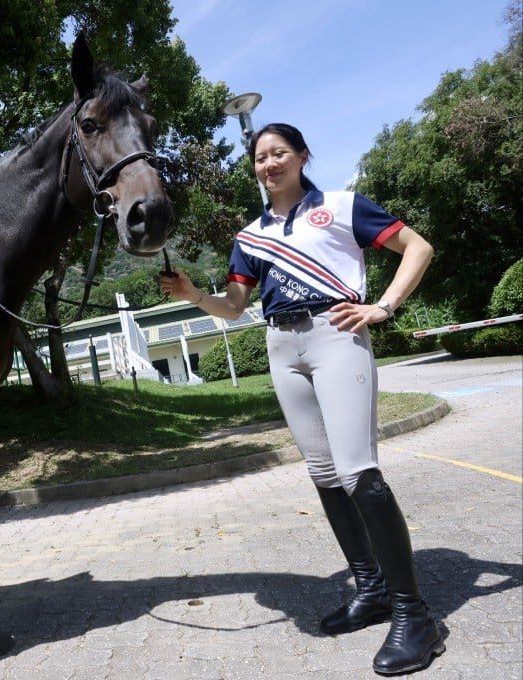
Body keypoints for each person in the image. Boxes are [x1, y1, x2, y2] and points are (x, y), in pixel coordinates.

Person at [160, 123, 444, 675]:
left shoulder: (340, 207)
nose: (269, 164)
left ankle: (416, 616)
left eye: (279, 153)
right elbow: (236, 306)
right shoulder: (249, 236)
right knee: (324, 475)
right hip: (281, 346)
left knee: (360, 473)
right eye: (260, 158)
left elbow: (418, 247)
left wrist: (383, 306)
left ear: (302, 156)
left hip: (336, 336)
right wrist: (195, 295)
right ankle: (373, 589)